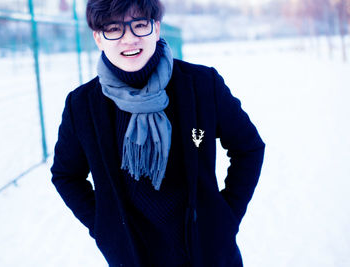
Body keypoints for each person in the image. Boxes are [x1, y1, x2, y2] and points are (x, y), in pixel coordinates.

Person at [50, 0, 265, 266]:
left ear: (156, 28)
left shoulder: (201, 85)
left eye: (139, 25)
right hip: (133, 256)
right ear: (98, 38)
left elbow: (249, 148)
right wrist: (103, 226)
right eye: (114, 28)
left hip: (209, 253)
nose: (129, 39)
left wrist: (226, 215)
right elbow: (65, 175)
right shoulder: (82, 105)